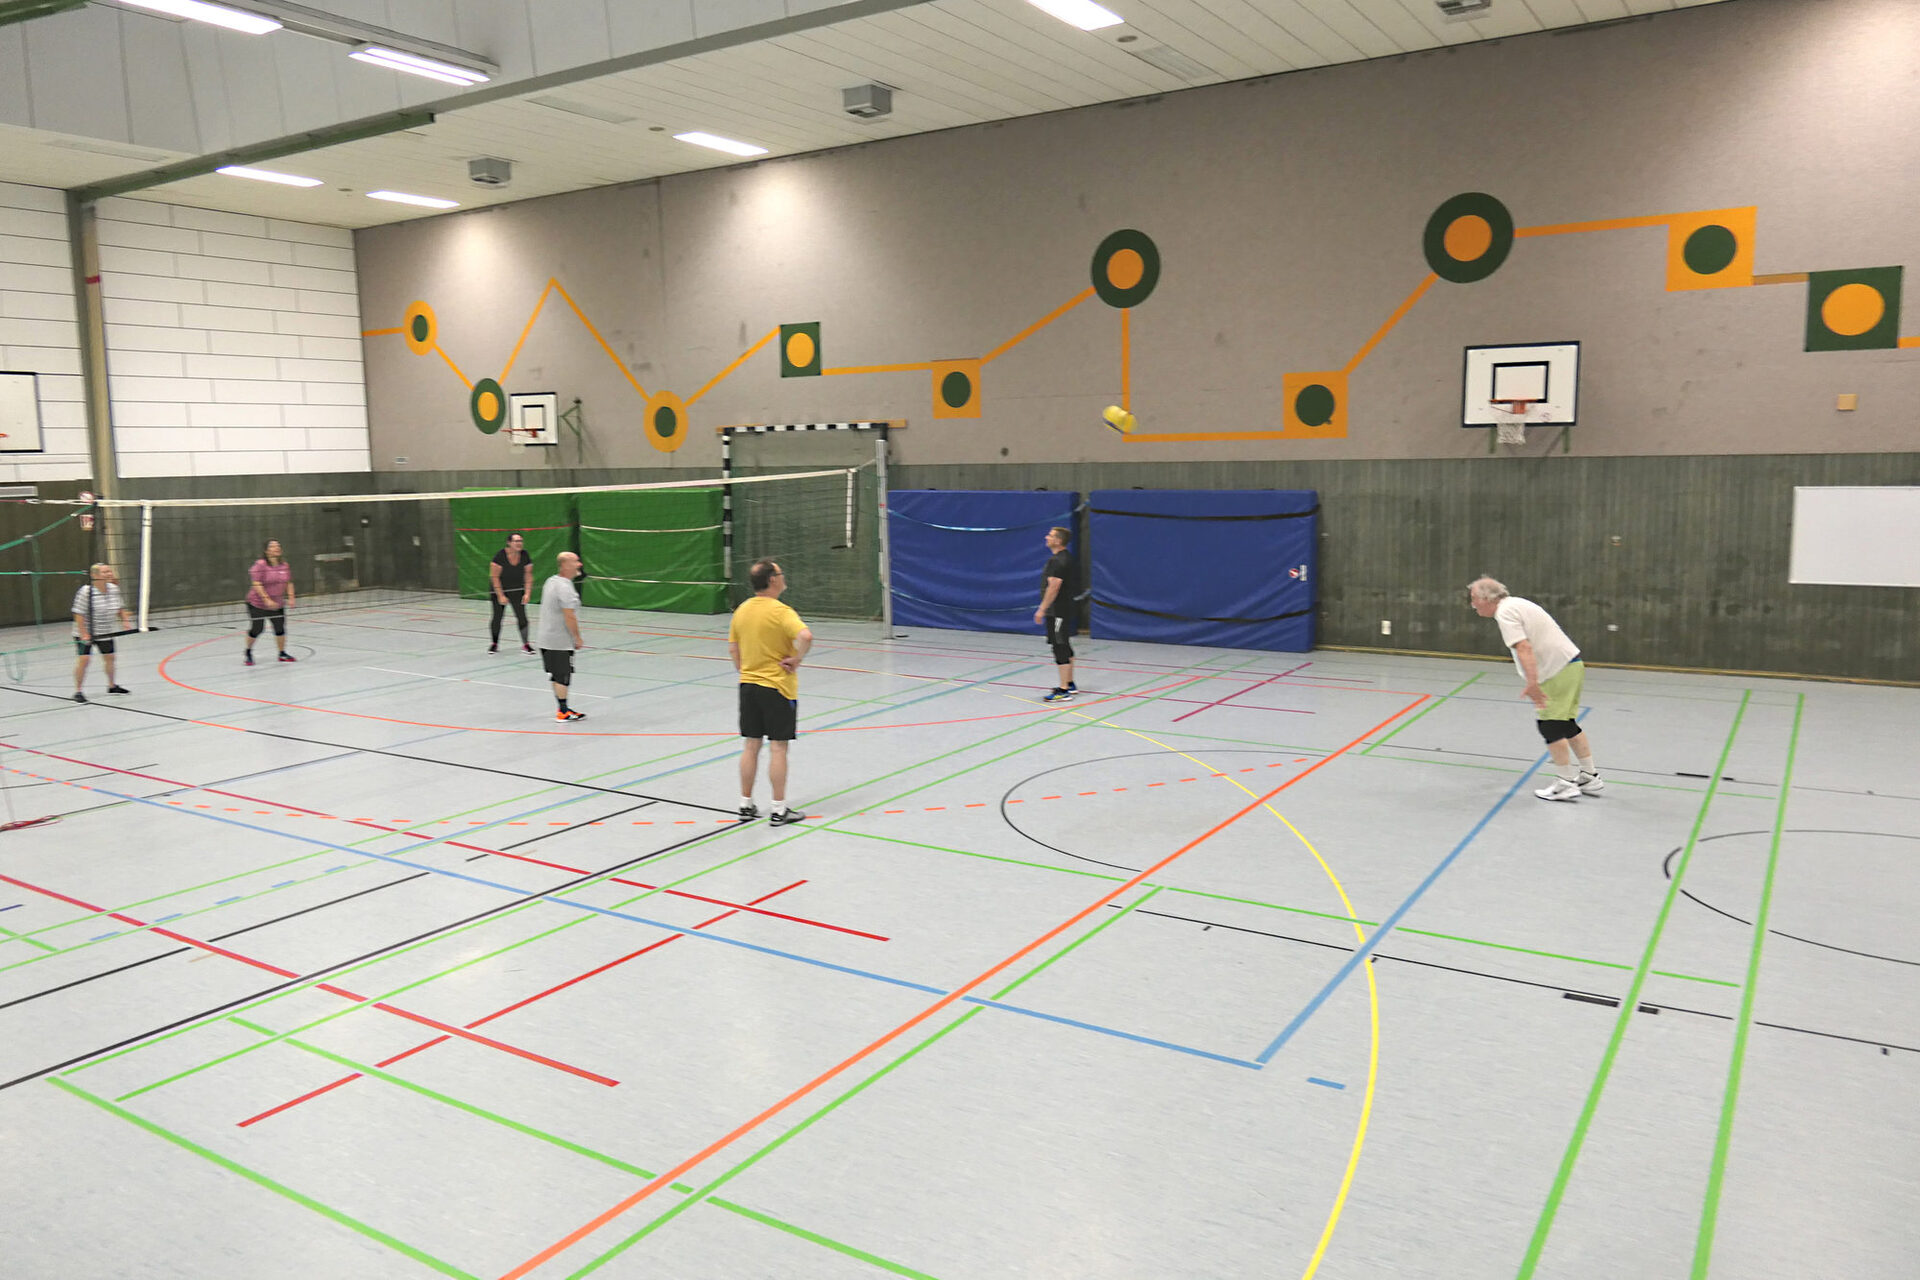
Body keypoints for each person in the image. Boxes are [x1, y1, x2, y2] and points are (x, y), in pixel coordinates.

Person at [1468, 577, 1602, 802]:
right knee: (1566, 724)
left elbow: (1524, 647)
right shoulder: (1517, 604)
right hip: (1571, 666)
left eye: (1474, 599)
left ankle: (1566, 783)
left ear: (1486, 598)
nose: (1472, 604)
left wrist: (1532, 683)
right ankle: (1589, 776)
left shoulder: (1505, 612)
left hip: (1556, 671)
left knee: (1550, 726)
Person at [729, 558, 812, 824]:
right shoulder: (781, 611)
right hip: (777, 687)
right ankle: (778, 809)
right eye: (780, 573)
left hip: (748, 686)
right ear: (773, 580)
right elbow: (806, 636)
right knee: (778, 748)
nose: (783, 576)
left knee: (751, 745)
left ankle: (745, 804)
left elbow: (733, 648)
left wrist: (745, 670)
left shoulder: (742, 610)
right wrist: (797, 659)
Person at [71, 562, 132, 703]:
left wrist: (125, 621)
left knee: (110, 657)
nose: (109, 574)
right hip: (86, 632)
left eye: (109, 571)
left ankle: (112, 686)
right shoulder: (86, 592)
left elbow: (120, 607)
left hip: (106, 631)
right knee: (84, 660)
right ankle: (78, 691)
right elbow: (78, 613)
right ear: (94, 575)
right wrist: (83, 633)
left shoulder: (113, 589)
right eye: (105, 572)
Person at [537, 551, 587, 722]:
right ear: (565, 565)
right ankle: (563, 712)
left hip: (545, 638)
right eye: (576, 561)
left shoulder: (551, 581)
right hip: (559, 640)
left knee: (556, 675)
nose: (580, 564)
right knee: (563, 676)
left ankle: (562, 708)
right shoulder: (565, 587)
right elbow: (569, 616)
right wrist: (577, 637)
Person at [1033, 525, 1079, 703]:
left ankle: (1063, 690)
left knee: (1059, 647)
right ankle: (1070, 683)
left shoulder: (1058, 561)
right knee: (1064, 644)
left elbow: (1054, 587)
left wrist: (1042, 609)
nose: (1047, 537)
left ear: (1058, 541)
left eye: (1050, 535)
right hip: (1064, 609)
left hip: (1058, 611)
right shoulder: (1066, 557)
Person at [245, 539, 296, 666]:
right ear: (266, 550)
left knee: (280, 628)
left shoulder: (284, 565)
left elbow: (288, 582)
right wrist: (266, 599)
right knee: (257, 628)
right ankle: (248, 652)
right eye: (273, 546)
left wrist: (291, 597)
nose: (276, 548)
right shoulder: (260, 565)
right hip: (257, 603)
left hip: (277, 604)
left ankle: (282, 653)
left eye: (278, 546)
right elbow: (256, 583)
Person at [488, 532, 534, 654]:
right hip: (499, 589)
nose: (519, 543)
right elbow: (494, 577)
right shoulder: (499, 556)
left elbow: (528, 575)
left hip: (516, 589)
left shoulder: (525, 555)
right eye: (516, 541)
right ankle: (494, 644)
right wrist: (500, 595)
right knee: (497, 617)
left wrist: (527, 593)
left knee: (522, 617)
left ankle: (526, 644)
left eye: (521, 541)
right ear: (509, 543)